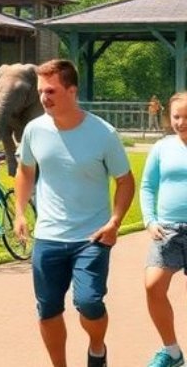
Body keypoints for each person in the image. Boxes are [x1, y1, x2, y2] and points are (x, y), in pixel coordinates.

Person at [13, 59, 134, 367]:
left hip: (92, 236)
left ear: (72, 90)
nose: (44, 97)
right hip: (48, 237)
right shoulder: (34, 130)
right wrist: (20, 212)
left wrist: (115, 222)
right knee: (48, 308)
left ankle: (96, 348)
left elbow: (125, 181)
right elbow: (26, 171)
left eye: (51, 91)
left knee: (89, 302)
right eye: (41, 91)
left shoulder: (103, 134)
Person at [140, 92, 187, 367]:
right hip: (167, 229)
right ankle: (172, 351)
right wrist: (149, 220)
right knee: (153, 285)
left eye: (186, 117)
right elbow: (148, 186)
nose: (181, 122)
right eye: (176, 117)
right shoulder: (162, 147)